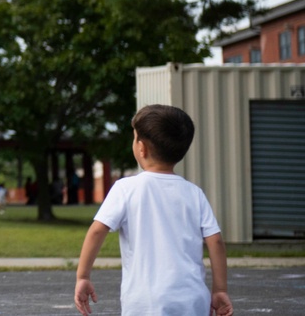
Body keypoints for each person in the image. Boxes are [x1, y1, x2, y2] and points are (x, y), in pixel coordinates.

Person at [74, 104, 233, 316]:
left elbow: (96, 231)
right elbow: (216, 241)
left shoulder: (125, 188)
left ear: (142, 148)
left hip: (145, 301)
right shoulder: (194, 193)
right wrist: (220, 289)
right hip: (193, 299)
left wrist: (83, 276)